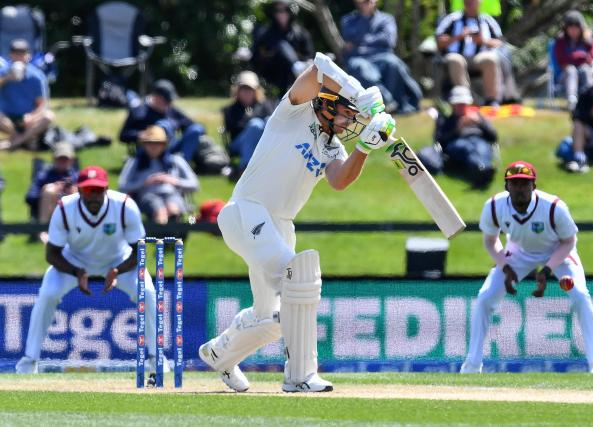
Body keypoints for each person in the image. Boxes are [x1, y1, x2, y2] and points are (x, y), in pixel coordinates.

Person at [198, 52, 393, 393]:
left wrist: (365, 146)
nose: (350, 123)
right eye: (349, 114)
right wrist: (357, 88)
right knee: (300, 278)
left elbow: (340, 181)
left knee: (272, 318)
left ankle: (220, 354)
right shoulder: (294, 113)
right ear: (330, 104)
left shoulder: (332, 148)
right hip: (247, 211)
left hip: (280, 226)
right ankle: (300, 376)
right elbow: (318, 69)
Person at [15, 166, 165, 378]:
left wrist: (116, 270)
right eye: (88, 190)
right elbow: (52, 254)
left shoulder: (124, 205)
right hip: (73, 260)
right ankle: (30, 361)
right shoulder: (65, 208)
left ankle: (156, 358)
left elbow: (139, 252)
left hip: (119, 260)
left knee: (148, 293)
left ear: (106, 189)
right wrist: (77, 271)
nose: (93, 195)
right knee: (47, 294)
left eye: (98, 190)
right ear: (78, 190)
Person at [460, 161, 593, 374]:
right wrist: (505, 266)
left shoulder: (554, 207)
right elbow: (490, 241)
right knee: (485, 297)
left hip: (557, 250)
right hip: (518, 251)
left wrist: (547, 270)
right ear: (506, 187)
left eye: (525, 184)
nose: (520, 188)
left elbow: (569, 241)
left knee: (580, 294)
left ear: (534, 186)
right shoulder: (494, 206)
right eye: (515, 183)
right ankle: (472, 365)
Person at [341, 0, 422, 114]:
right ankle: (387, 102)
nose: (367, 2)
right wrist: (365, 17)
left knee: (393, 63)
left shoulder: (387, 19)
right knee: (360, 67)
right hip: (359, 57)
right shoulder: (348, 20)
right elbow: (349, 37)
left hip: (382, 56)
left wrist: (361, 42)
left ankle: (402, 102)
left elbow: (388, 40)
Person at [118, 125, 199, 224]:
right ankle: (160, 235)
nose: (154, 146)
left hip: (172, 194)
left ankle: (175, 233)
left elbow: (194, 184)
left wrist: (174, 181)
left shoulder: (175, 160)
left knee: (173, 208)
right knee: (160, 211)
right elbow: (122, 186)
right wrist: (145, 182)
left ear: (164, 145)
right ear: (144, 145)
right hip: (146, 196)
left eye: (158, 143)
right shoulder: (135, 162)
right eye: (150, 143)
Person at [435, 0, 504, 106]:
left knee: (491, 59)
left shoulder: (487, 20)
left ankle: (492, 100)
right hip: (457, 56)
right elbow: (439, 42)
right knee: (455, 59)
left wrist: (483, 41)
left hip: (478, 57)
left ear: (480, 2)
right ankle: (464, 100)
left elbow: (499, 42)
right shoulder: (452, 19)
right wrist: (459, 36)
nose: (470, 2)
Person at [119, 79, 206, 162]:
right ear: (155, 97)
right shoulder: (139, 111)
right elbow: (123, 135)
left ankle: (183, 164)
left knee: (196, 129)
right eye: (166, 100)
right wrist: (141, 134)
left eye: (169, 101)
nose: (168, 104)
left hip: (171, 146)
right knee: (162, 126)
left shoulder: (171, 110)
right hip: (150, 149)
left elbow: (191, 125)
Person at [434, 86, 497, 187]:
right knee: (467, 148)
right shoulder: (447, 120)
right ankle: (483, 168)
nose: (461, 107)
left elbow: (493, 136)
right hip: (456, 142)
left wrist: (480, 123)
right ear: (453, 105)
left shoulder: (478, 116)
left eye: (463, 104)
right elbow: (440, 141)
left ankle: (482, 169)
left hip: (478, 140)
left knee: (481, 148)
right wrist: (458, 129)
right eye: (458, 104)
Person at [251, 0, 315, 97]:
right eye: (277, 10)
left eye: (285, 10)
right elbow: (256, 57)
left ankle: (296, 66)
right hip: (273, 79)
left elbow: (309, 56)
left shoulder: (301, 34)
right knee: (282, 46)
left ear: (291, 11)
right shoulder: (265, 34)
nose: (281, 14)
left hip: (298, 79)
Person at [0, 39, 53, 150]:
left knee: (48, 116)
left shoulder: (36, 76)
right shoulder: (4, 72)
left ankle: (15, 142)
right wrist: (7, 78)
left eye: (22, 54)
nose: (19, 57)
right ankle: (22, 139)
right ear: (11, 55)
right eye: (16, 54)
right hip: (6, 119)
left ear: (28, 56)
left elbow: (42, 104)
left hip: (27, 119)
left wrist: (31, 117)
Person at [223, 71, 277, 178]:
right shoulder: (231, 109)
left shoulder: (265, 105)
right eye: (243, 89)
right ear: (237, 91)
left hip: (262, 140)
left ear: (256, 91)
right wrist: (251, 121)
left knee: (267, 120)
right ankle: (244, 168)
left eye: (250, 89)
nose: (246, 92)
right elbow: (234, 127)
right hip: (238, 143)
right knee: (255, 124)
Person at [25, 142, 79, 244]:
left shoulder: (77, 177)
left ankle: (73, 232)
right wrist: (52, 191)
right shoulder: (43, 176)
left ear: (71, 160)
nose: (62, 162)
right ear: (54, 159)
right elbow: (29, 197)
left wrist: (70, 191)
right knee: (49, 190)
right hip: (48, 213)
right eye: (60, 159)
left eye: (65, 159)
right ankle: (43, 231)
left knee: (75, 191)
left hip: (70, 215)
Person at [553, 10, 593, 111]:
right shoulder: (560, 41)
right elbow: (561, 60)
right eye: (571, 28)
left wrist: (578, 58)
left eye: (576, 28)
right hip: (565, 76)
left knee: (585, 69)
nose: (573, 31)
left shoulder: (589, 41)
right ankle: (572, 101)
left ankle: (591, 98)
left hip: (585, 73)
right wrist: (580, 57)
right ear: (566, 29)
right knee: (571, 70)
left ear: (581, 28)